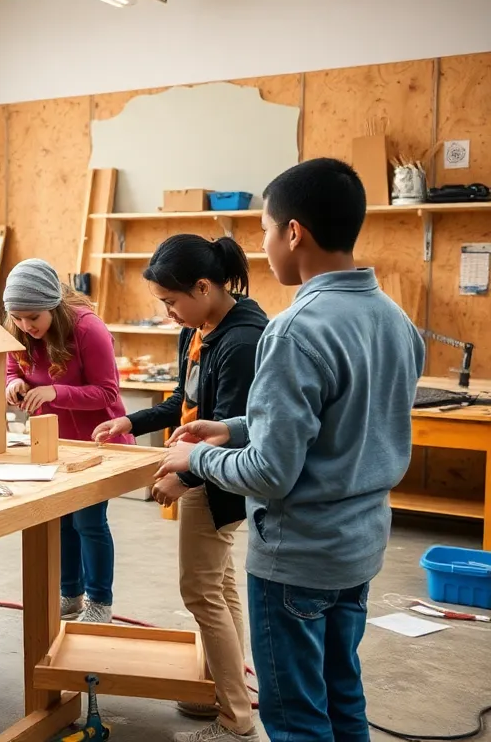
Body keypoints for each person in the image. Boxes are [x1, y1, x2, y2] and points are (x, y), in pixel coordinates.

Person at [156, 158, 425, 742]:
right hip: (358, 550)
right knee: (341, 697)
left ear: (294, 232)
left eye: (264, 230)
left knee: (296, 717)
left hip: (296, 560)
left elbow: (271, 473)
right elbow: (334, 424)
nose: (264, 244)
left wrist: (195, 459)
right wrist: (231, 427)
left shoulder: (296, 327)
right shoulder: (396, 321)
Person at [94, 234, 267, 742]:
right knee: (218, 587)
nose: (169, 313)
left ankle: (235, 718)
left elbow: (235, 430)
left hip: (218, 480)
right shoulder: (199, 328)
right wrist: (131, 420)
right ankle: (221, 690)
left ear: (203, 286)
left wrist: (182, 476)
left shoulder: (242, 341)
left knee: (200, 591)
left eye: (171, 301)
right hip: (195, 466)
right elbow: (182, 400)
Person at [3, 258, 132, 623]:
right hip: (52, 444)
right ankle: (70, 594)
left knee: (88, 523)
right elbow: (13, 367)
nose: (27, 326)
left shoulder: (88, 329)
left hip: (97, 442)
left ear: (53, 308)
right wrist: (13, 383)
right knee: (60, 522)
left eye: (34, 318)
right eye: (18, 318)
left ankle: (99, 603)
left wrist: (52, 392)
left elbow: (107, 393)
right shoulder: (18, 331)